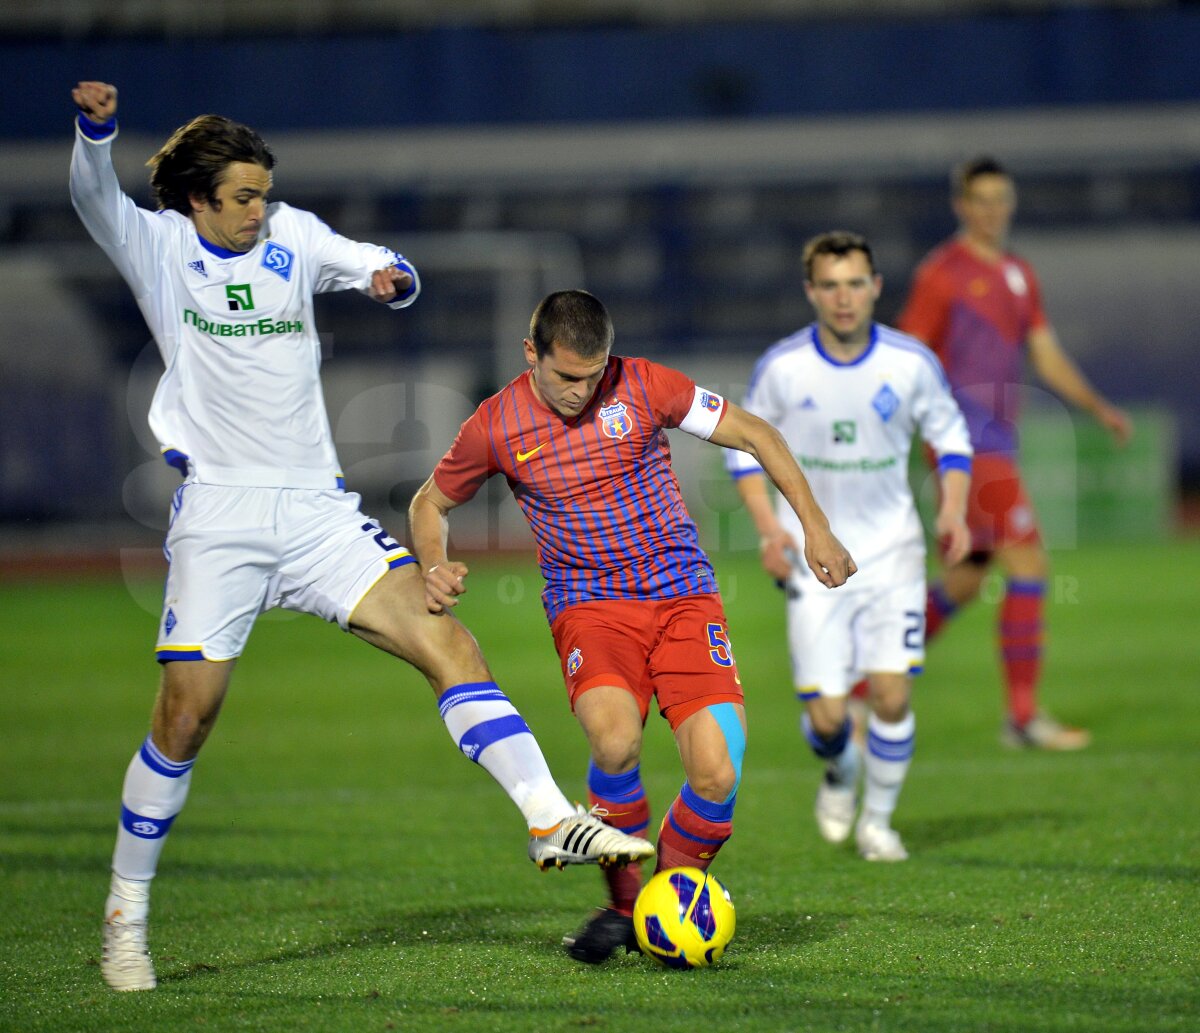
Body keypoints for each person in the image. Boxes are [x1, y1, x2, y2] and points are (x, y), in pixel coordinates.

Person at [69, 82, 653, 993]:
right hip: (220, 516)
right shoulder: (158, 246)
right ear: (196, 200)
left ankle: (545, 815)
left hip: (315, 512)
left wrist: (393, 277)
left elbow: (376, 260)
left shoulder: (291, 236)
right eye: (243, 196)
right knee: (185, 719)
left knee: (447, 638)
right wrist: (95, 133)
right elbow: (92, 197)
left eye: (265, 192)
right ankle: (125, 918)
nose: (261, 209)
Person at [408, 289, 855, 962]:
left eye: (593, 375)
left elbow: (757, 433)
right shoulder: (495, 425)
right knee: (614, 743)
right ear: (531, 354)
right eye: (565, 377)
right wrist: (434, 562)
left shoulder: (645, 385)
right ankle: (623, 907)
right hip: (588, 606)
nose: (581, 392)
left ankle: (673, 895)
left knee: (715, 771)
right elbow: (429, 502)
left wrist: (816, 528)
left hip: (683, 597)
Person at [728, 232, 972, 861]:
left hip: (893, 551)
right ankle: (840, 771)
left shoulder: (911, 362)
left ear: (876, 287)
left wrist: (952, 508)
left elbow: (951, 440)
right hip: (814, 559)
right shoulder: (783, 368)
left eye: (855, 283)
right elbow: (746, 454)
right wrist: (770, 528)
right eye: (831, 285)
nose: (844, 298)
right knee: (830, 719)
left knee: (891, 694)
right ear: (812, 291)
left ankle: (879, 824)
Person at [896, 156, 1133, 750]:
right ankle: (1022, 718)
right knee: (1028, 563)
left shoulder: (1019, 274)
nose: (993, 210)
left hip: (997, 441)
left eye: (1002, 198)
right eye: (982, 199)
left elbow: (1045, 353)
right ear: (962, 206)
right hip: (965, 444)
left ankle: (864, 678)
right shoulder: (942, 274)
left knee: (968, 578)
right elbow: (906, 357)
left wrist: (1096, 405)